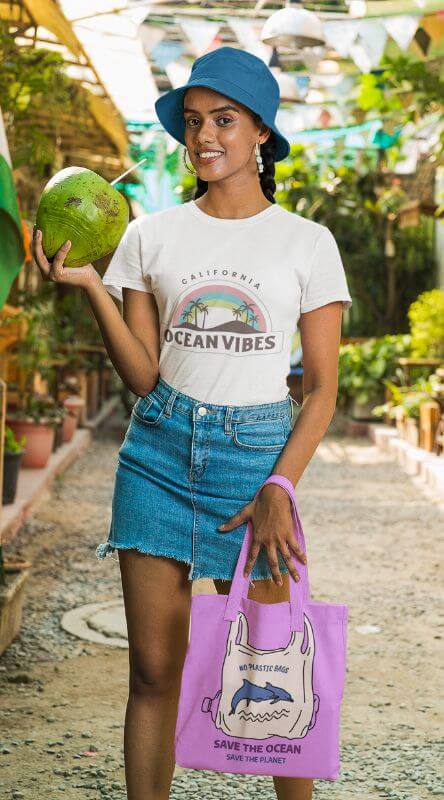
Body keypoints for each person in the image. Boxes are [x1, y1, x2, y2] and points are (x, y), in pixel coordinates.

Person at [32, 45, 352, 800]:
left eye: (225, 120)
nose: (205, 135)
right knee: (152, 671)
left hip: (256, 461)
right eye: (195, 121)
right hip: (159, 455)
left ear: (262, 134)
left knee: (272, 661)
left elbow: (325, 390)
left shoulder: (307, 243)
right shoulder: (151, 235)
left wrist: (280, 484)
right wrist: (89, 285)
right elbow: (145, 376)